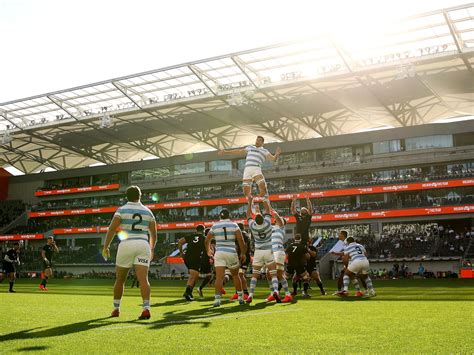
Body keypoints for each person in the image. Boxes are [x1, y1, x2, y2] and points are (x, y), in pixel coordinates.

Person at [102, 185, 157, 319]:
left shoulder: (122, 210)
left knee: (120, 279)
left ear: (127, 197)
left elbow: (112, 229)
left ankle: (116, 309)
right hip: (143, 244)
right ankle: (146, 308)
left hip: (126, 244)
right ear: (140, 196)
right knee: (144, 279)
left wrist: (106, 247)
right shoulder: (148, 212)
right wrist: (151, 248)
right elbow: (154, 233)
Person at [218, 136, 281, 205]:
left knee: (263, 187)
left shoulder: (264, 151)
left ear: (262, 143)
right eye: (257, 140)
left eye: (259, 140)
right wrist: (226, 152)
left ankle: (266, 204)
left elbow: (273, 159)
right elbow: (239, 151)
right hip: (247, 169)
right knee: (245, 191)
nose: (257, 141)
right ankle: (252, 205)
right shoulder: (250, 147)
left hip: (256, 169)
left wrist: (277, 154)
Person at [205, 208, 246, 307]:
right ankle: (240, 297)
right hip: (231, 252)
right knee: (236, 275)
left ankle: (217, 300)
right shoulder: (234, 225)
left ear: (220, 216)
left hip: (219, 252)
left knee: (219, 277)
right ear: (229, 216)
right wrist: (243, 253)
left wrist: (208, 250)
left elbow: (207, 240)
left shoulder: (215, 225)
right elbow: (240, 240)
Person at [246, 197, 281, 303]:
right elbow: (267, 210)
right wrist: (264, 199)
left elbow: (248, 215)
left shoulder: (253, 226)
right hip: (269, 250)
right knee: (273, 274)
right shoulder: (267, 223)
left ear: (254, 220)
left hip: (258, 251)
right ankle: (275, 291)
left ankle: (250, 295)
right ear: (263, 218)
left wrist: (249, 202)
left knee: (255, 275)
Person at [268, 211, 293, 303]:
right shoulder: (272, 228)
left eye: (280, 220)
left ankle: (287, 294)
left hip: (278, 251)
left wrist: (271, 209)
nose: (277, 220)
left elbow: (278, 218)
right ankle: (273, 293)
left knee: (277, 274)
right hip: (271, 252)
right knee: (268, 274)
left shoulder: (281, 227)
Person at [178, 224, 206, 301]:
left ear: (196, 230)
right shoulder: (204, 238)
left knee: (195, 276)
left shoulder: (190, 236)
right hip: (195, 258)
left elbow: (180, 242)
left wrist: (181, 252)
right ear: (203, 231)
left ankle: (189, 292)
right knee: (193, 275)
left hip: (187, 257)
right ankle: (187, 293)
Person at [230, 223, 251, 301]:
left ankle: (245, 293)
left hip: (243, 257)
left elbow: (245, 245)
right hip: (240, 256)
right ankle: (238, 292)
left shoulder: (243, 234)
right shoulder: (243, 234)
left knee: (240, 275)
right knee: (237, 275)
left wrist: (243, 254)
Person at [197, 229, 214, 298]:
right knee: (210, 275)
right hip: (207, 259)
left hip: (203, 259)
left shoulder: (203, 240)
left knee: (210, 275)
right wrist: (211, 257)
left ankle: (200, 288)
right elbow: (209, 250)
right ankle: (200, 288)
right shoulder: (207, 240)